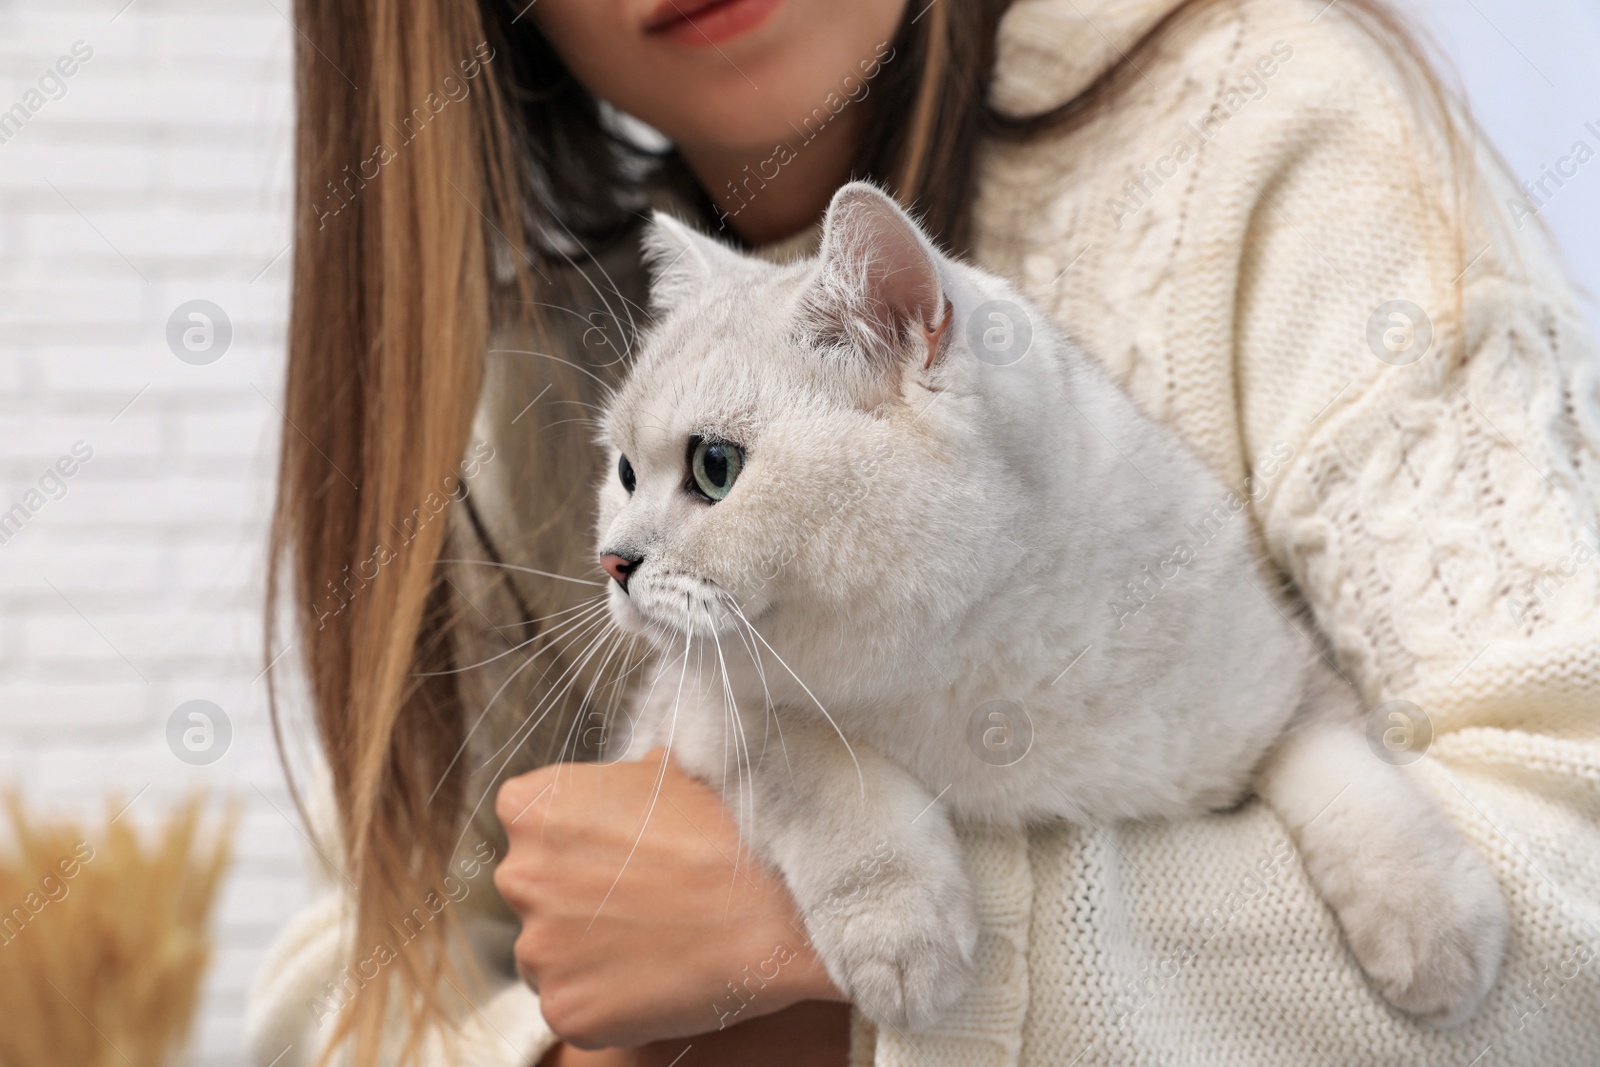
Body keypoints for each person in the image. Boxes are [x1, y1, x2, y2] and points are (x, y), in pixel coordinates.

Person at [246, 0, 1600, 1064]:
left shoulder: (1279, 132)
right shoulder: (546, 365)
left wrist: (824, 965)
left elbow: (1572, 904)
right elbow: (340, 982)